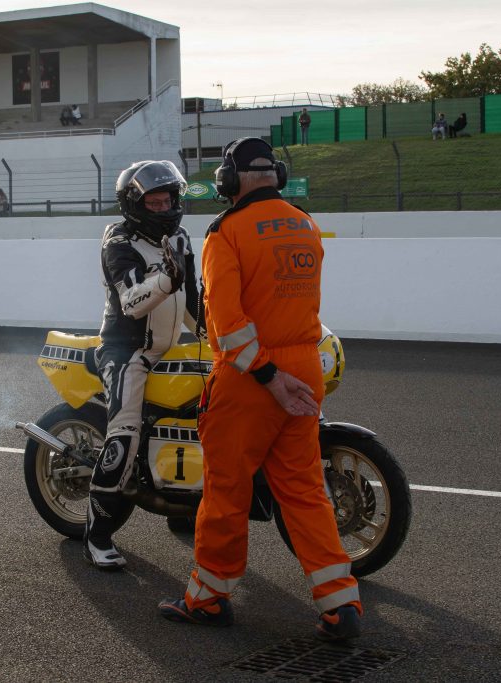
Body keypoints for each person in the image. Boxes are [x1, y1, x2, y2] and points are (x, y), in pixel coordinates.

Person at [157, 137, 362, 642]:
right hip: (305, 369)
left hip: (252, 378)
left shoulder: (225, 232)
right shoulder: (305, 224)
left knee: (227, 489)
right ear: (277, 175)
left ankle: (207, 599)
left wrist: (268, 378)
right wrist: (286, 376)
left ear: (229, 180)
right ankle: (341, 604)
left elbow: (225, 325)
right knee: (304, 489)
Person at [84, 160, 199, 569]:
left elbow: (195, 304)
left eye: (169, 198)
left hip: (170, 347)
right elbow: (131, 302)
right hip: (126, 351)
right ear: (135, 204)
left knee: (202, 415)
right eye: (155, 201)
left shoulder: (179, 236)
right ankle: (97, 534)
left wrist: (218, 337)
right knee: (124, 435)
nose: (165, 206)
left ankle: (184, 503)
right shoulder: (118, 242)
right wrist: (169, 276)